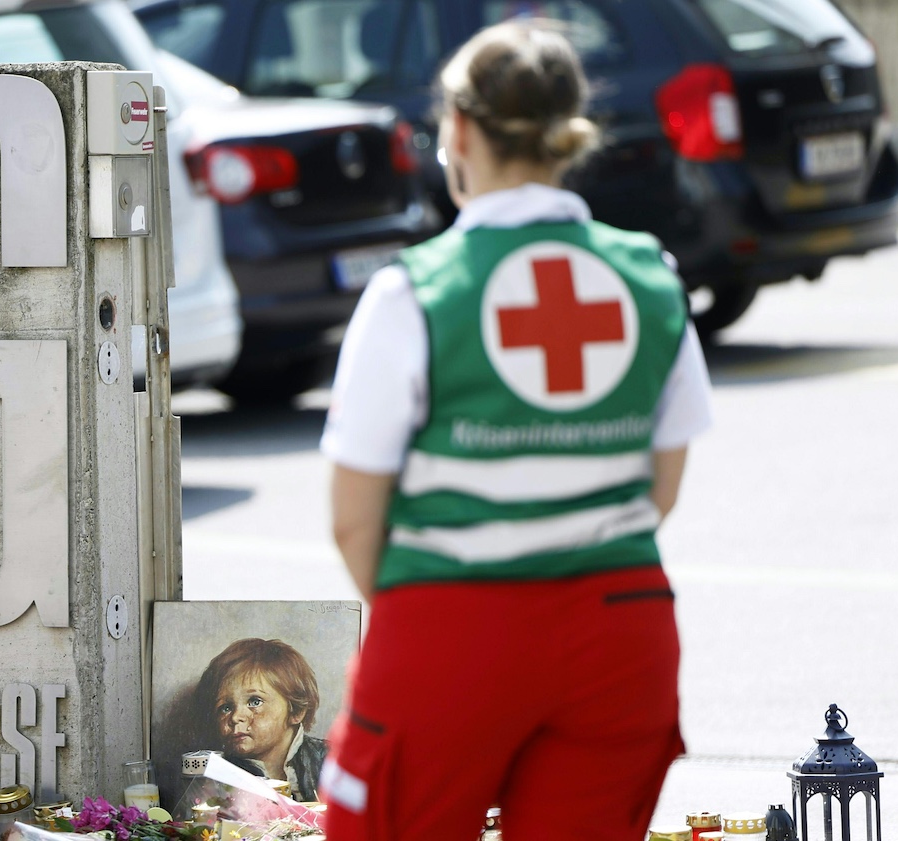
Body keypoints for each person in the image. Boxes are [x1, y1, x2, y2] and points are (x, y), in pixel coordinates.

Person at [318, 20, 713, 841]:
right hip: (621, 630)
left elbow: (355, 520)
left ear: (459, 131)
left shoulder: (413, 292)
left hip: (450, 629)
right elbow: (662, 487)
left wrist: (450, 628)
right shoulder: (651, 276)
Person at [191, 638, 328, 801]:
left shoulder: (331, 760)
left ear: (296, 711)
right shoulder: (218, 774)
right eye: (226, 707)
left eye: (255, 702)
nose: (235, 717)